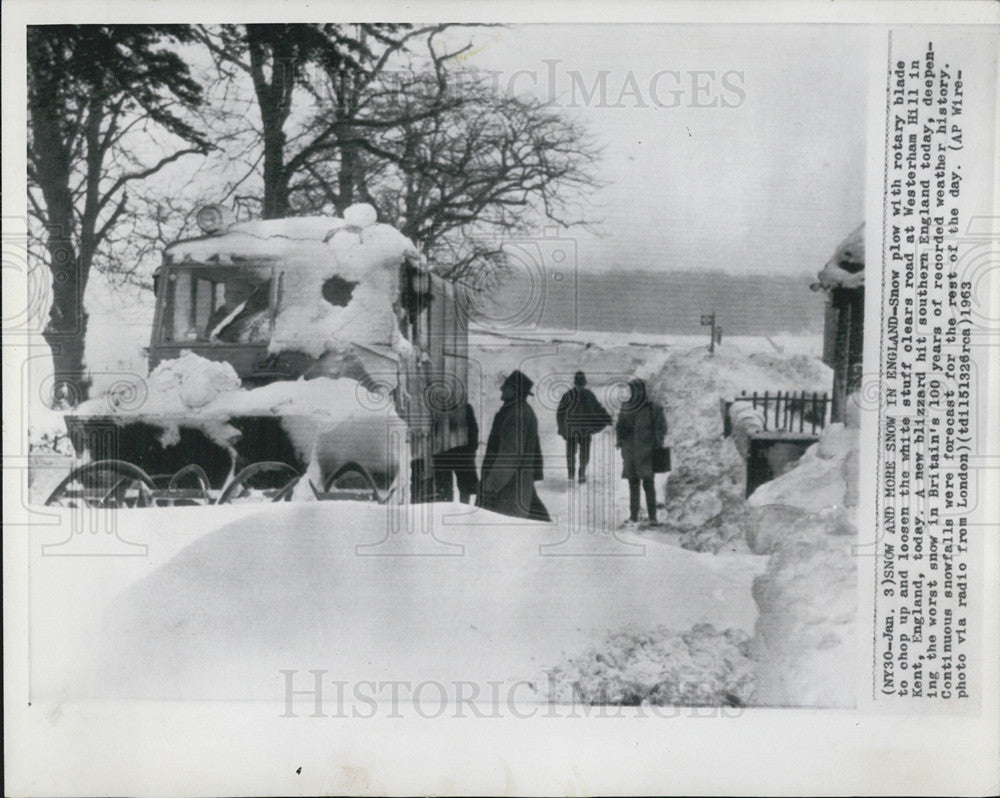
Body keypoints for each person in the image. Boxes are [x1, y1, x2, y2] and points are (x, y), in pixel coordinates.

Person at [477, 370, 551, 522]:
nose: (502, 388)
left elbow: (510, 455)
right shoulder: (519, 411)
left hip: (507, 487)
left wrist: (491, 486)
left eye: (506, 386)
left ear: (515, 391)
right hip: (517, 482)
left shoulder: (517, 414)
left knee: (499, 528)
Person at [615, 377, 667, 524]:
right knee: (633, 484)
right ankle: (633, 516)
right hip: (630, 453)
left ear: (643, 391)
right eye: (633, 390)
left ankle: (652, 517)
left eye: (638, 390)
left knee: (649, 484)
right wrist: (620, 441)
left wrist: (658, 442)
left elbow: (661, 427)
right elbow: (620, 426)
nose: (635, 393)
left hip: (647, 453)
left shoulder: (653, 408)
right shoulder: (626, 407)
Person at [556, 371, 611, 483]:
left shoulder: (568, 395)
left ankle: (571, 475)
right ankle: (581, 475)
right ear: (584, 383)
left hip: (571, 430)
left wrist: (562, 429)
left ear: (575, 382)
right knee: (584, 453)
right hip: (585, 430)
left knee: (570, 453)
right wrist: (607, 418)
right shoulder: (589, 395)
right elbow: (598, 408)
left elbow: (560, 414)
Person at [433, 403, 480, 503]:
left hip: (462, 453)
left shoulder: (465, 408)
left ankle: (465, 512)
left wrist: (471, 449)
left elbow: (473, 429)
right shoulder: (435, 409)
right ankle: (446, 510)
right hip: (442, 454)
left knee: (466, 489)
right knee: (443, 490)